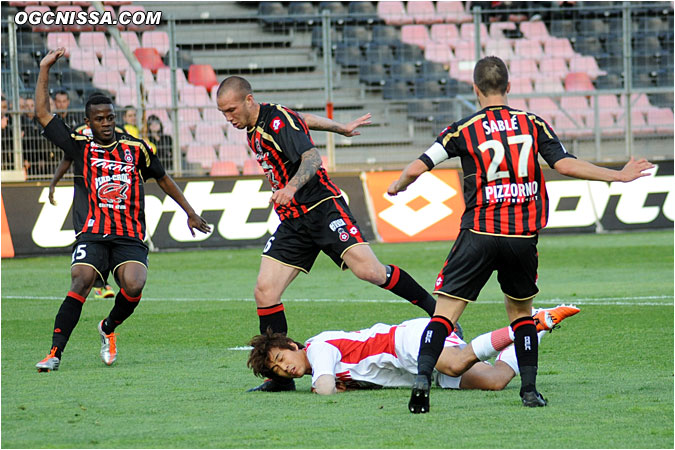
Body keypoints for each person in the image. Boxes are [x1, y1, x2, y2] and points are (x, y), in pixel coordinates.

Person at [387, 56, 654, 412]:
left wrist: (398, 185)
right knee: (521, 315)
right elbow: (564, 164)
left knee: (446, 314)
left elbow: (420, 165)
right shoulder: (532, 124)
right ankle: (528, 390)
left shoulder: (462, 128)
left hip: (479, 231)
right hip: (521, 236)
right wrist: (617, 175)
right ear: (508, 87)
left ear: (475, 89)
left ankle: (422, 381)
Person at [216, 76, 439, 392]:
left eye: (231, 109)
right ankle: (279, 380)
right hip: (294, 220)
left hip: (322, 207)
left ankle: (438, 313)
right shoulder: (262, 121)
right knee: (265, 291)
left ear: (249, 100)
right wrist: (340, 127)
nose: (228, 117)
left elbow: (312, 158)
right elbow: (303, 120)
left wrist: (291, 187)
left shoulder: (275, 121)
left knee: (371, 271)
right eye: (223, 112)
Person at [33, 48, 212, 372]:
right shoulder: (79, 144)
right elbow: (44, 114)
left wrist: (189, 211)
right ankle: (54, 352)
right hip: (94, 232)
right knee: (81, 279)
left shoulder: (136, 148)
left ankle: (108, 327)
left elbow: (163, 178)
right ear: (89, 122)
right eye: (99, 119)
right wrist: (45, 67)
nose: (106, 124)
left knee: (134, 284)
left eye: (110, 117)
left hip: (129, 234)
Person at [248, 305, 579, 395]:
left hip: (405, 343)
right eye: (277, 370)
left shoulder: (318, 349)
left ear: (292, 345)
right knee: (495, 380)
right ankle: (540, 327)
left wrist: (318, 387)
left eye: (281, 358)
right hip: (412, 370)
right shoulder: (318, 356)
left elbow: (324, 388)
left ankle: (525, 325)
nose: (285, 367)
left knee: (454, 364)